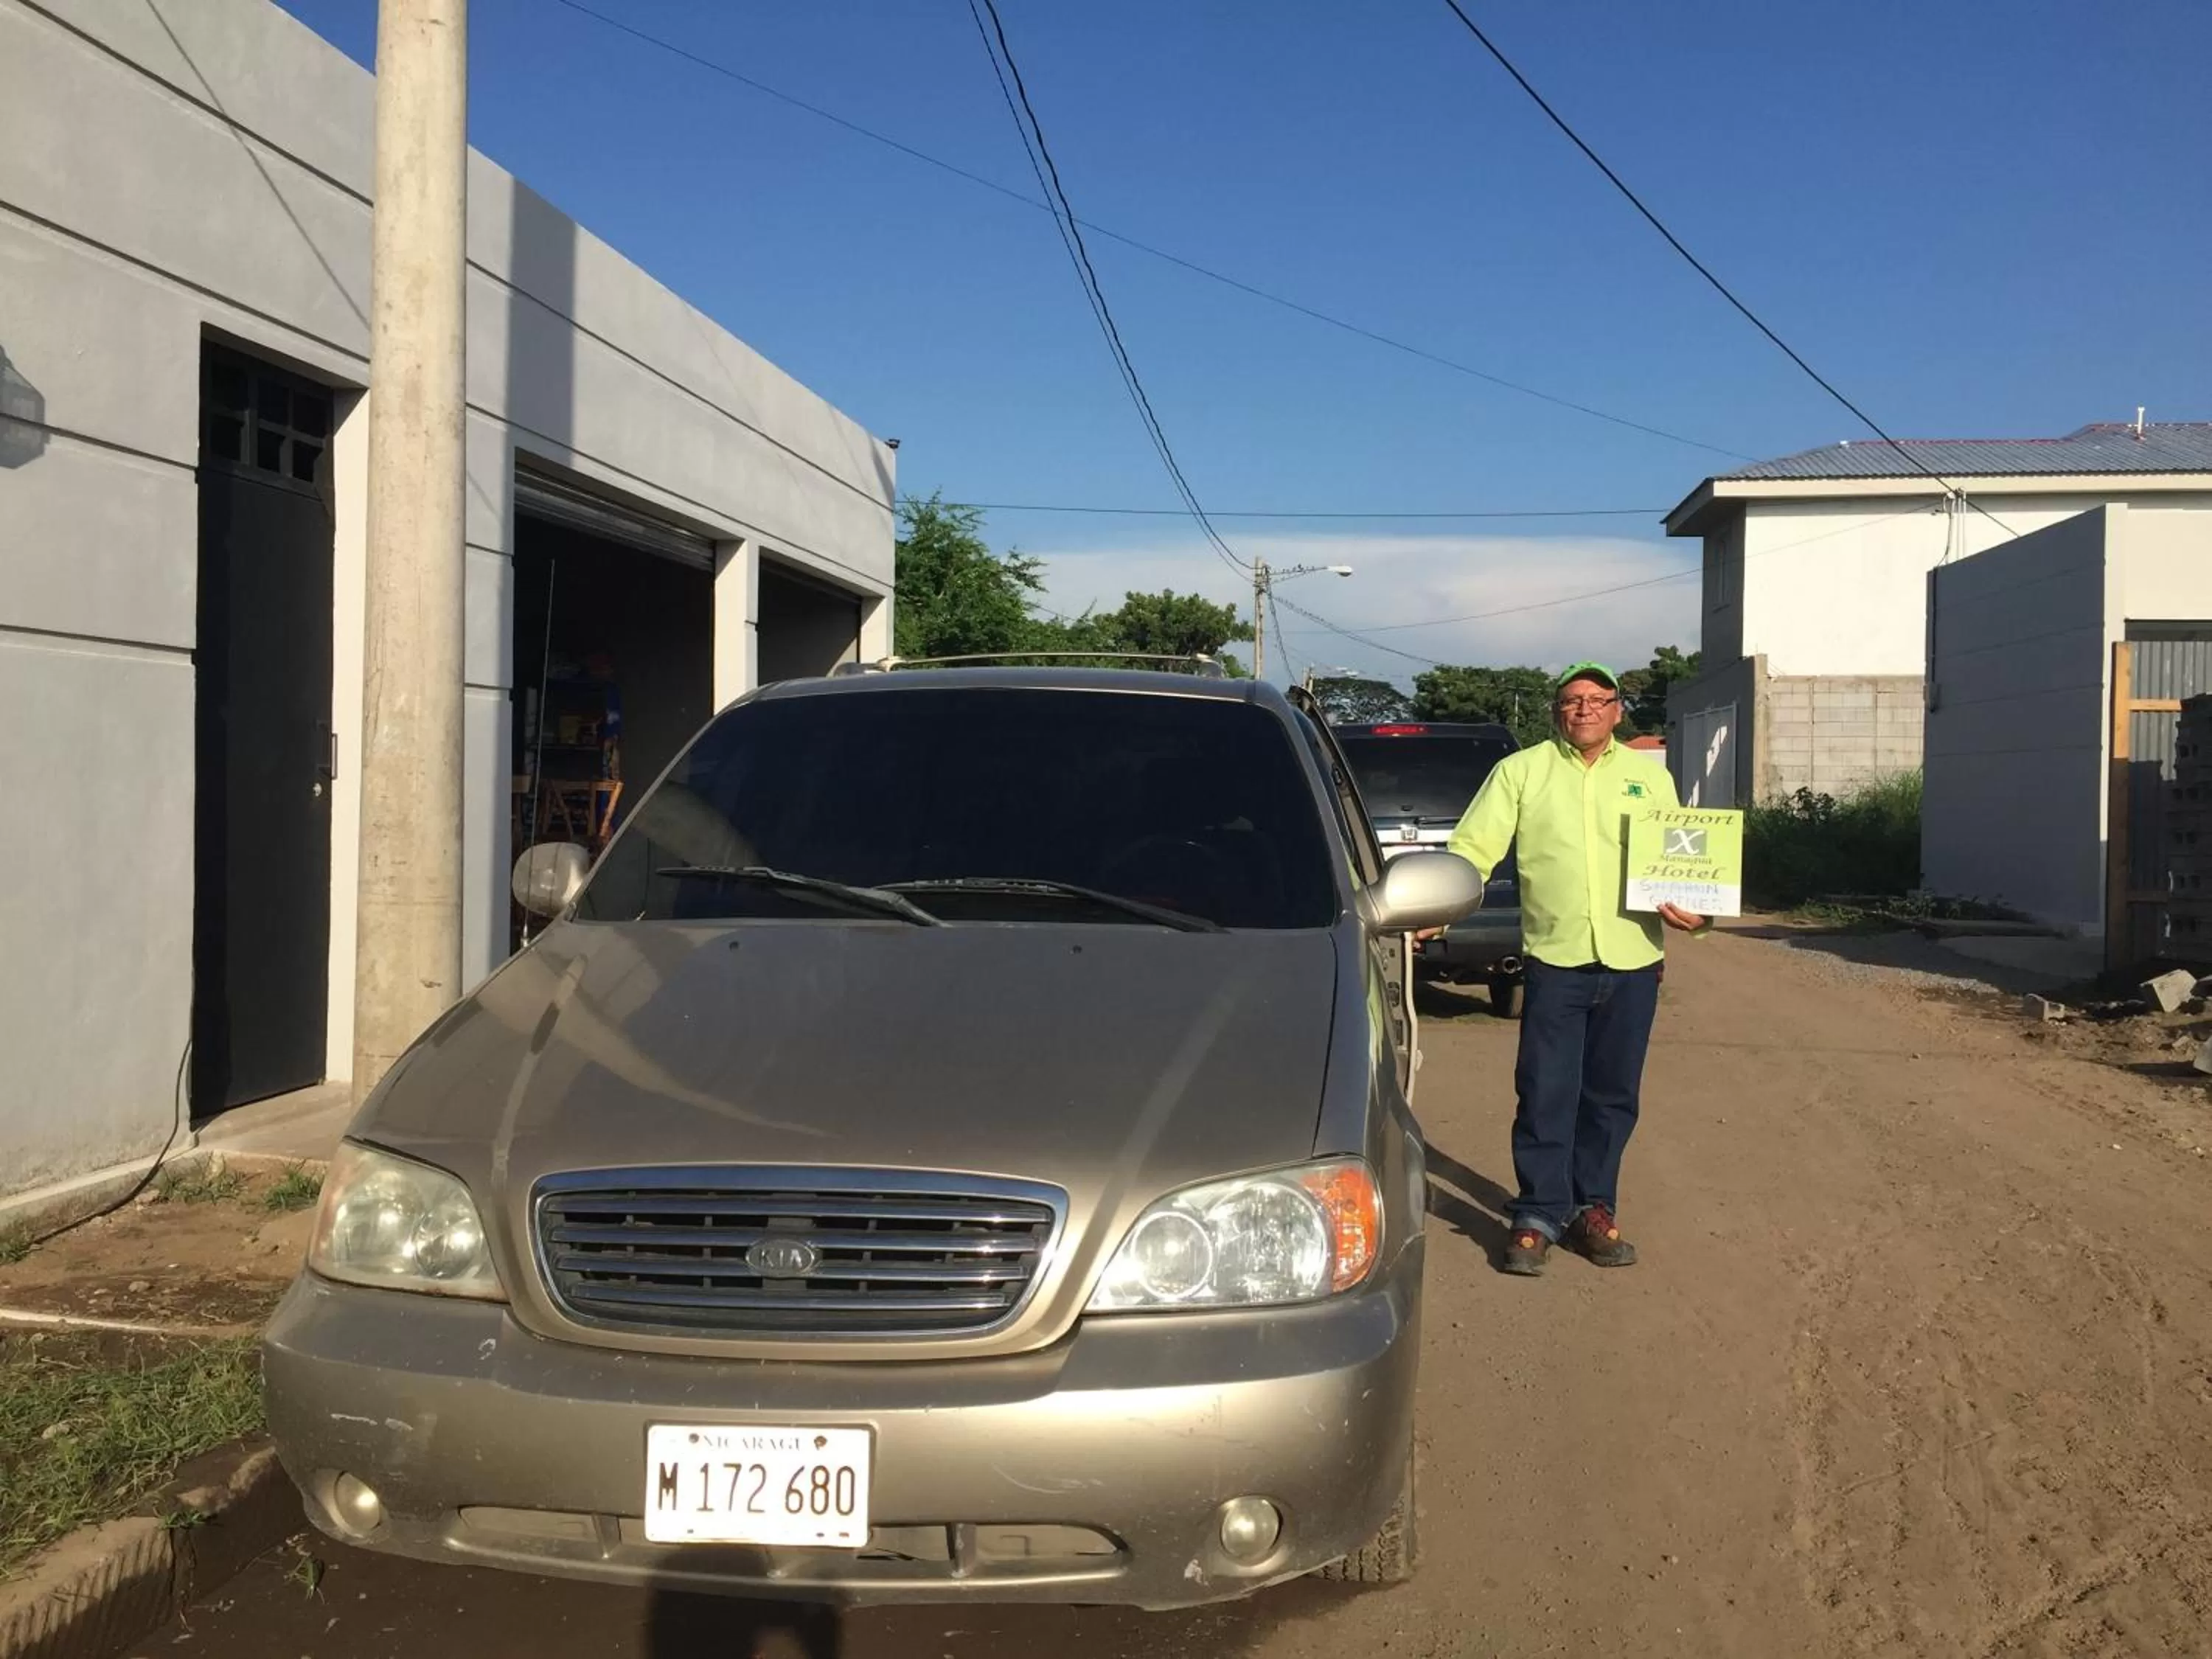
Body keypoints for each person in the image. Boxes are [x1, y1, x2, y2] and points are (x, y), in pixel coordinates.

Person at [1439, 663, 1709, 1276]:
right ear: (1556, 711)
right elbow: (1473, 849)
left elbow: (1684, 860)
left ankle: (1593, 1208)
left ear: (1617, 710)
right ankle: (1538, 1213)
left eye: (1597, 698)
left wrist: (1700, 913)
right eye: (1571, 700)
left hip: (1634, 961)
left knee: (1612, 1096)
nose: (1584, 708)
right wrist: (1440, 902)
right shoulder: (1521, 771)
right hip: (1555, 960)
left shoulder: (1649, 779)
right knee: (1545, 1090)